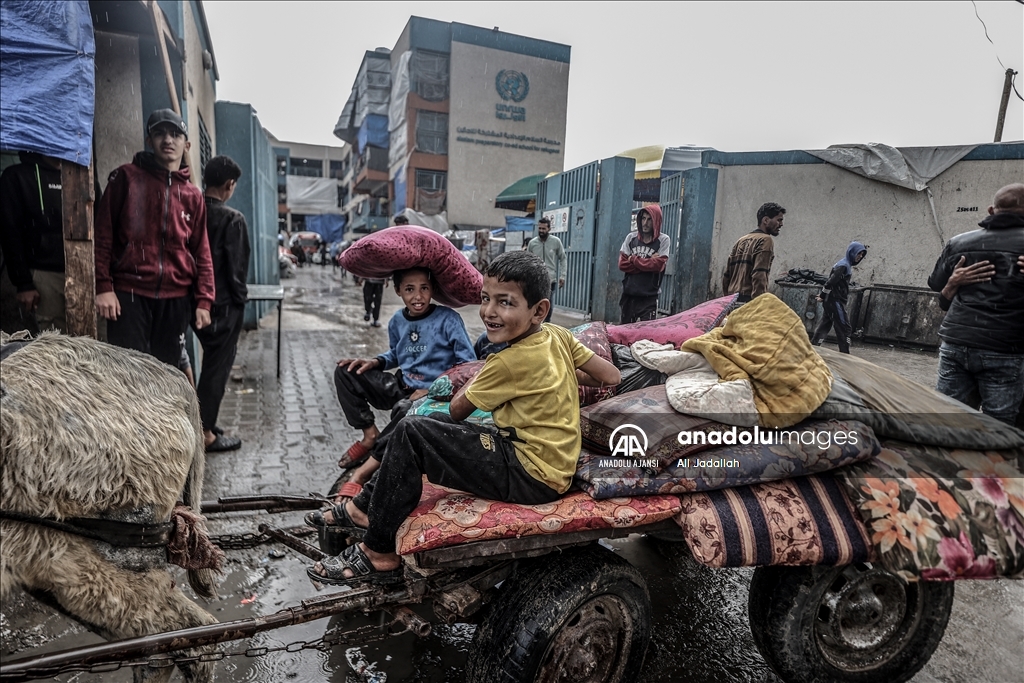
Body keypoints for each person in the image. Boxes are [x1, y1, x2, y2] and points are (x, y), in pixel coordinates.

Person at [307, 250, 621, 586]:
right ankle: (363, 507)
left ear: (538, 310)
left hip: (529, 473)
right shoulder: (558, 336)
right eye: (486, 299)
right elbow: (610, 376)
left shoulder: (506, 363)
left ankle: (378, 551)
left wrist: (481, 375)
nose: (489, 312)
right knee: (422, 427)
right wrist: (557, 375)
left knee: (413, 431)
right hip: (545, 462)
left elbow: (457, 410)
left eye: (505, 302)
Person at [326, 267, 476, 486]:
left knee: (404, 410)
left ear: (432, 288)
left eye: (424, 288)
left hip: (435, 397)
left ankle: (370, 465)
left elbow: (468, 366)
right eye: (409, 289)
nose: (418, 296)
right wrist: (375, 362)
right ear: (397, 291)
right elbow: (397, 353)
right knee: (346, 371)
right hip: (403, 385)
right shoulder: (397, 320)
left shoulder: (448, 319)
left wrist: (433, 390)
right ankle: (370, 435)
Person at [94, 109, 214, 364]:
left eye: (175, 134)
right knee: (127, 375)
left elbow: (201, 251)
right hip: (129, 295)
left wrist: (204, 299)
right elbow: (103, 235)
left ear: (186, 144)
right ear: (149, 141)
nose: (167, 140)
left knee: (168, 375)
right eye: (159, 134)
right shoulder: (125, 178)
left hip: (175, 300)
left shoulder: (193, 195)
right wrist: (103, 286)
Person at [927, 183, 1024, 425]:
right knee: (998, 427)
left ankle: (944, 462)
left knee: (948, 421)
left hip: (957, 344)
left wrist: (950, 283)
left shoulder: (959, 243)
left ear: (991, 210)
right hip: (1005, 349)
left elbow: (935, 286)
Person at [195, 155, 250, 453]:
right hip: (224, 305)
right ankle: (205, 433)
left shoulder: (191, 211)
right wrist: (241, 301)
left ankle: (205, 422)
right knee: (217, 368)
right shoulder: (232, 219)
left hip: (194, 303)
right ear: (229, 185)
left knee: (207, 366)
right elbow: (236, 270)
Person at [0, 152, 66, 333]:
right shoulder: (16, 176)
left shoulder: (83, 176)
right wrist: (23, 283)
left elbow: (100, 229)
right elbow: (10, 232)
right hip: (43, 274)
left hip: (83, 271)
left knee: (91, 341)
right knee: (54, 344)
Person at [722, 202, 786, 303]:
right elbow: (759, 275)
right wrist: (758, 304)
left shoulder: (741, 240)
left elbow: (726, 276)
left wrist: (726, 299)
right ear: (766, 220)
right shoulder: (766, 240)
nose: (781, 224)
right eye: (779, 220)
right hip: (748, 300)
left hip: (731, 300)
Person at [811, 241, 867, 354]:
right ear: (852, 252)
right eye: (858, 254)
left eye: (861, 255)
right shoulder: (843, 266)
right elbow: (830, 282)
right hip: (835, 301)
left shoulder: (844, 264)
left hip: (832, 300)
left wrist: (824, 296)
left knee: (825, 324)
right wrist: (823, 295)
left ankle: (813, 348)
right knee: (844, 328)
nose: (859, 257)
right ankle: (845, 354)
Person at [618, 204, 670, 323]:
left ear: (656, 221)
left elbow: (658, 266)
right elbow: (622, 264)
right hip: (629, 295)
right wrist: (648, 262)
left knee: (646, 335)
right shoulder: (631, 238)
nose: (645, 223)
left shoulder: (663, 240)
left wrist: (634, 260)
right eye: (643, 218)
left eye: (649, 219)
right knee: (625, 333)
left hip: (649, 297)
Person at [526, 216, 567, 322]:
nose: (541, 231)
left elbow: (563, 258)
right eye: (539, 228)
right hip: (535, 280)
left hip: (550, 279)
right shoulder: (532, 243)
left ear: (549, 229)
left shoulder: (556, 242)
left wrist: (563, 276)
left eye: (543, 229)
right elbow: (526, 260)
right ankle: (534, 325)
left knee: (548, 305)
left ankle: (546, 327)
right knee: (534, 304)